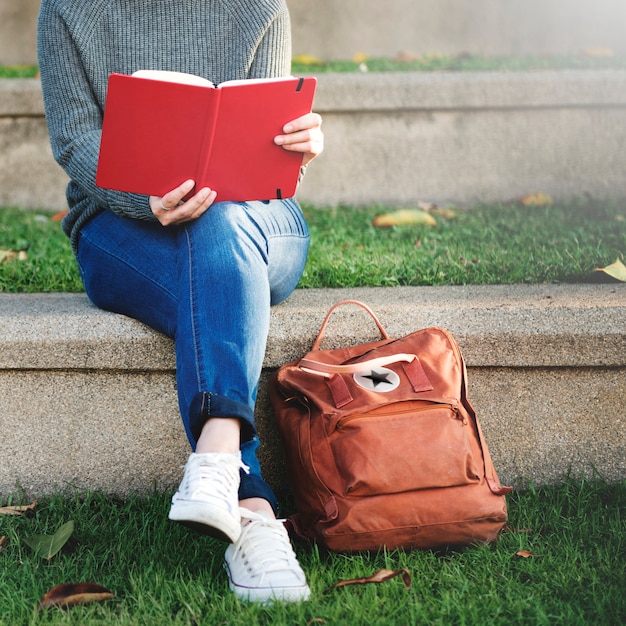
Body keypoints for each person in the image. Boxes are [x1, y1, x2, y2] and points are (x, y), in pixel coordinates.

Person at [37, 0, 324, 604]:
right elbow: (74, 136)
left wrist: (299, 140)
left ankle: (216, 463)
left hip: (257, 219)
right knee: (215, 265)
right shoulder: (70, 9)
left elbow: (269, 141)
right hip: (120, 223)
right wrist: (146, 199)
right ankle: (247, 496)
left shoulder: (259, 8)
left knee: (218, 223)